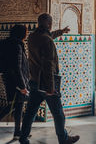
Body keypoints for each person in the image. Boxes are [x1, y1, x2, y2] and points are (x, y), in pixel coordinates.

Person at [19, 13, 80, 144]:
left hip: (34, 82)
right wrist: (50, 88)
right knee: (58, 114)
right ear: (49, 24)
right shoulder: (46, 40)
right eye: (51, 23)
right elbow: (48, 65)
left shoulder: (33, 37)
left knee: (30, 112)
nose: (51, 25)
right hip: (46, 84)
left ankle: (23, 138)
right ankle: (63, 139)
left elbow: (49, 36)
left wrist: (61, 32)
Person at [2, 24, 29, 140]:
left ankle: (18, 132)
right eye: (25, 32)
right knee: (13, 106)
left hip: (9, 79)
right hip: (17, 82)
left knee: (18, 106)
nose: (26, 34)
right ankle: (18, 132)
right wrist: (22, 85)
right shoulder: (17, 46)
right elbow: (17, 67)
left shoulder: (7, 43)